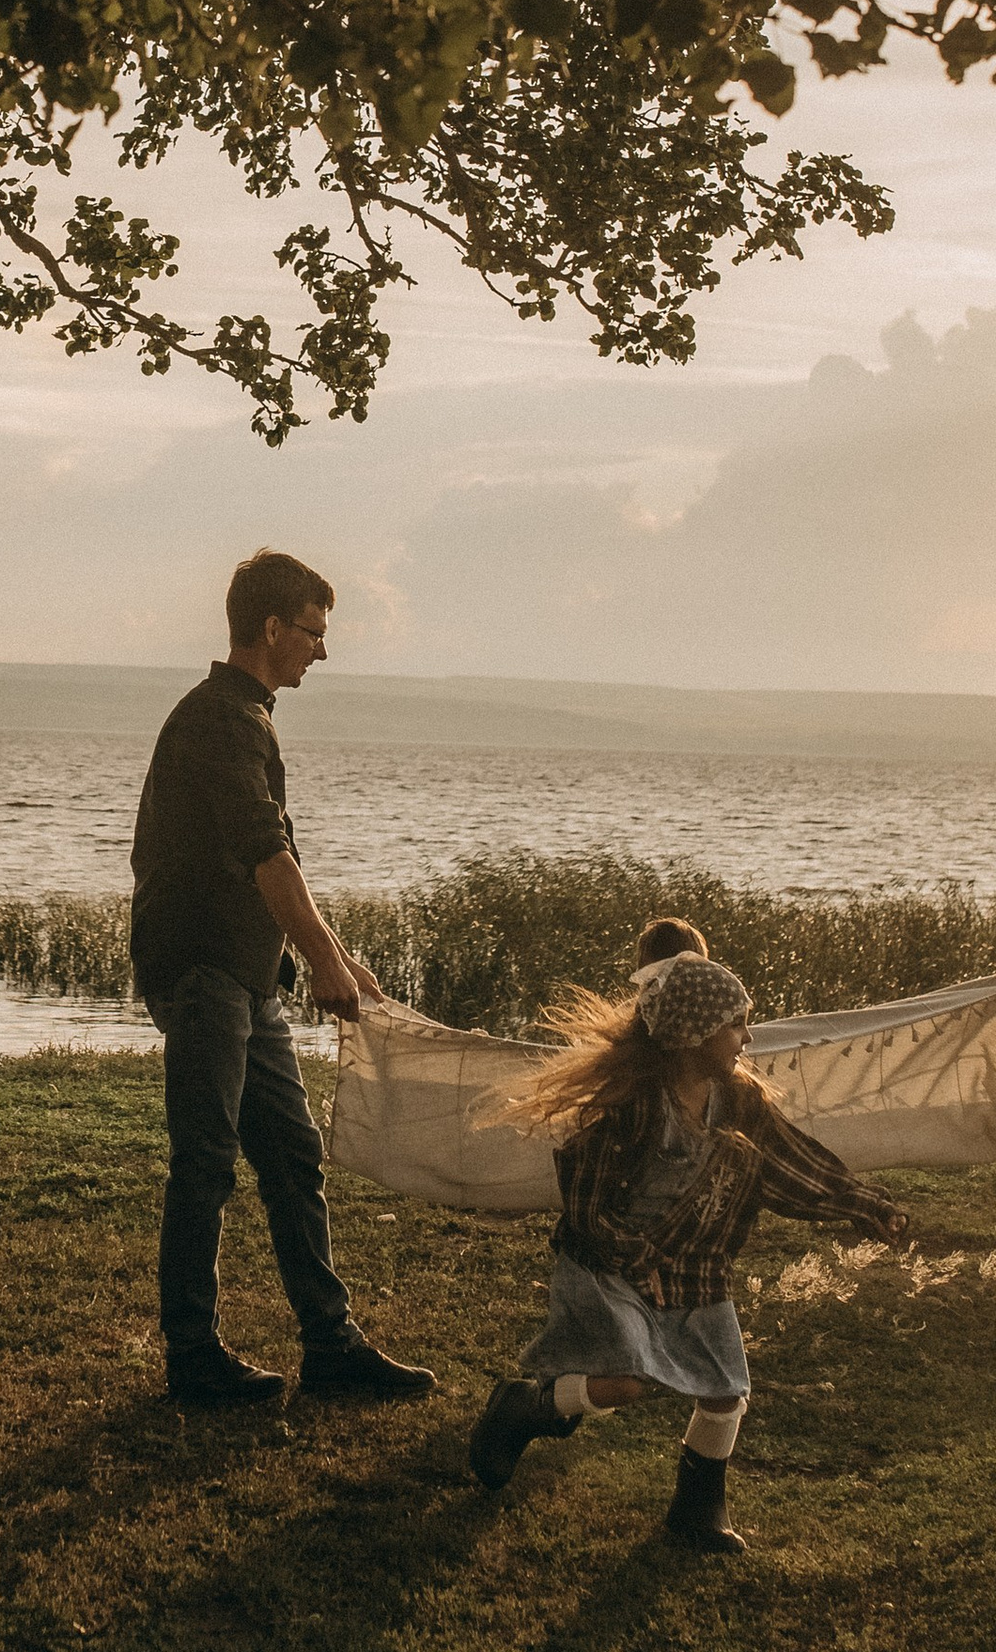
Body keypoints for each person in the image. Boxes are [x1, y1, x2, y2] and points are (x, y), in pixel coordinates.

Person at [465, 947, 912, 1549]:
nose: (746, 1037)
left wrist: (865, 1205)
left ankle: (697, 1513)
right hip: (610, 1266)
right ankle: (524, 1408)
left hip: (693, 1267)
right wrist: (637, 1259)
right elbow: (587, 1209)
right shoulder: (630, 1109)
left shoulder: (741, 1104)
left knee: (726, 1393)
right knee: (622, 1383)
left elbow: (794, 1167)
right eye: (734, 1023)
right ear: (692, 1031)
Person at [129, 551, 433, 1410]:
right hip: (204, 973)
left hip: (245, 977)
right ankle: (191, 1357)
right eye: (313, 632)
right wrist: (326, 960)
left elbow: (267, 860)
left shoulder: (243, 718)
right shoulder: (220, 722)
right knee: (206, 1162)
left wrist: (320, 952)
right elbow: (265, 851)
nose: (321, 652)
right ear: (271, 628)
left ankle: (329, 1346)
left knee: (292, 1158)